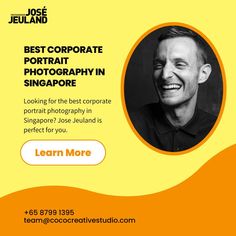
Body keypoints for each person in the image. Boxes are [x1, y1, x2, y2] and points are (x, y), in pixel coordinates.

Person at [130, 26, 217, 152]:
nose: (165, 75)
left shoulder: (220, 131)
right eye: (159, 65)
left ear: (203, 74)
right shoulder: (131, 125)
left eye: (179, 65)